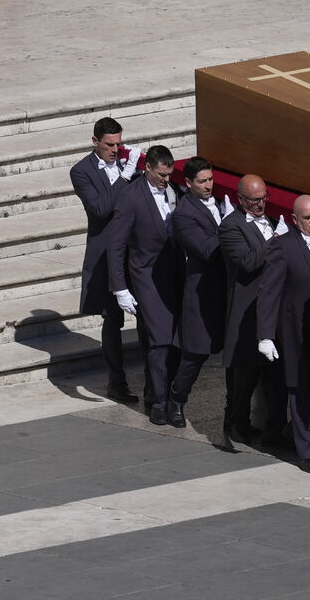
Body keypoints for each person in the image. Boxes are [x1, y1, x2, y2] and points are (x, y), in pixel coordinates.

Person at [106, 145, 182, 425]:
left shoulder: (173, 192)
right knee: (160, 342)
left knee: (173, 342)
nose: (166, 179)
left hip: (174, 275)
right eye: (161, 174)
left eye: (169, 174)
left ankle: (157, 394)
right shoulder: (130, 197)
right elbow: (116, 246)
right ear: (147, 168)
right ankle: (160, 403)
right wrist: (120, 287)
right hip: (146, 278)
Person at [257, 195, 310, 473]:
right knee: (299, 388)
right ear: (294, 220)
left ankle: (295, 432)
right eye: (307, 218)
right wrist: (265, 334)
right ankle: (307, 451)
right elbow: (269, 291)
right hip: (295, 332)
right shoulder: (282, 246)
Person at [70, 117, 140, 403]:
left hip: (135, 251)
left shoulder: (126, 163)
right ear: (95, 141)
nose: (115, 149)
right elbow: (99, 209)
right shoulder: (81, 171)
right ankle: (116, 382)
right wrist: (126, 177)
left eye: (118, 143)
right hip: (107, 254)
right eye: (109, 144)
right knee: (112, 319)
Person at [218, 174, 285, 445]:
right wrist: (277, 239)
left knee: (270, 374)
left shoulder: (269, 220)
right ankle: (236, 423)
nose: (261, 205)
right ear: (240, 199)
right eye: (255, 200)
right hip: (247, 311)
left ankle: (272, 426)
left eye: (264, 199)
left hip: (274, 306)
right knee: (243, 375)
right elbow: (248, 261)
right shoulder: (230, 227)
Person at [168, 157, 233, 428]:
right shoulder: (183, 214)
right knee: (195, 354)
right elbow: (206, 250)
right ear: (188, 183)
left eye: (210, 179)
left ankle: (235, 412)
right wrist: (232, 226)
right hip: (202, 293)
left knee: (233, 353)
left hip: (228, 290)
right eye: (202, 181)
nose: (208, 185)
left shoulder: (218, 201)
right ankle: (176, 400)